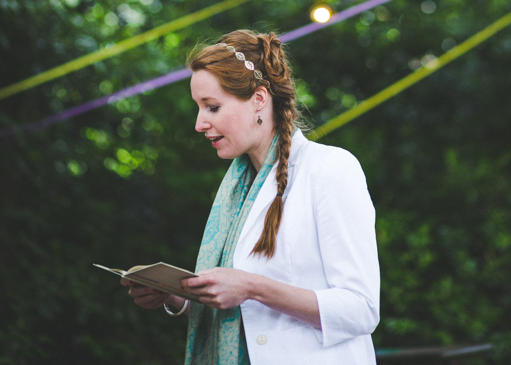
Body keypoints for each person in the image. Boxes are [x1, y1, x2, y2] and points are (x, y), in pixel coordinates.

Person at [123, 29, 380, 365]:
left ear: (259, 99)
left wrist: (253, 287)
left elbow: (361, 309)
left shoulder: (331, 169)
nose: (200, 123)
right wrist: (176, 296)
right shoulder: (236, 188)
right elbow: (244, 317)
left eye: (212, 107)